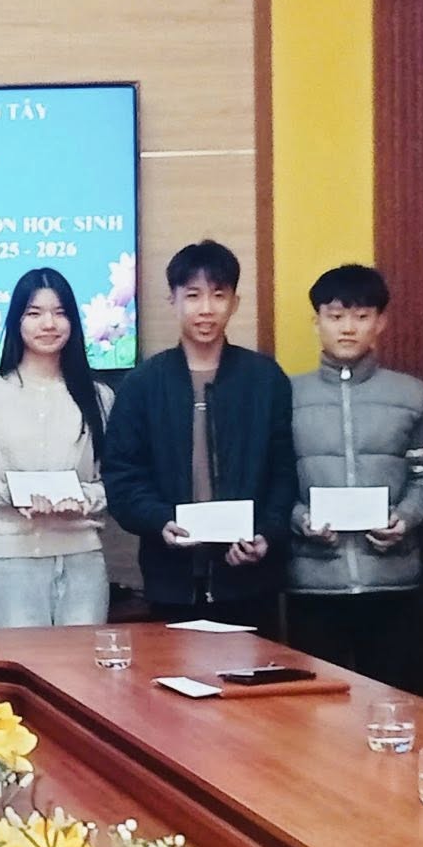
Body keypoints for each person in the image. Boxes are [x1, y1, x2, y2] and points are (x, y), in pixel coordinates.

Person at [103, 240, 295, 632]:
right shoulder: (142, 384)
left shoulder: (265, 378)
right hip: (170, 582)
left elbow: (284, 472)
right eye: (193, 295)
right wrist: (160, 520)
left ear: (235, 303)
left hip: (251, 582)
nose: (206, 309)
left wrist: (266, 534)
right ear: (172, 301)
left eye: (218, 295)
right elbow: (122, 476)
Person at [283, 265, 423, 689]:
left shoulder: (412, 395)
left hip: (394, 581)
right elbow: (275, 483)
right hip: (313, 582)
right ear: (316, 321)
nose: (348, 328)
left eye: (361, 316)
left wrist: (404, 518)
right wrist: (301, 520)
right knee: (317, 710)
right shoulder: (288, 395)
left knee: (393, 701)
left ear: (381, 322)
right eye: (335, 316)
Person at [0, 268, 115, 628]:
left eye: (60, 313)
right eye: (35, 313)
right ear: (17, 321)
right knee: (18, 660)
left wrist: (82, 499)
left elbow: (112, 482)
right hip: (11, 560)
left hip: (83, 557)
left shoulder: (99, 396)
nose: (49, 324)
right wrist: (16, 494)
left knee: (82, 663)